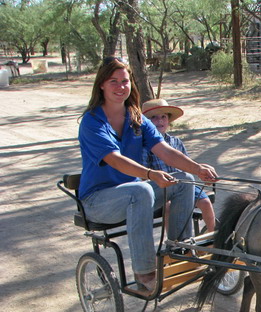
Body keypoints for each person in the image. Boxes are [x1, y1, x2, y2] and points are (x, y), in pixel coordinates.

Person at [78, 56, 218, 293]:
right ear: (101, 84)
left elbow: (164, 150)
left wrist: (197, 168)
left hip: (134, 194)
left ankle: (179, 252)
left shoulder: (137, 118)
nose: (121, 87)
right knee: (141, 189)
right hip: (99, 201)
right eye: (114, 81)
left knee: (185, 182)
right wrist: (151, 174)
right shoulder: (92, 122)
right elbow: (115, 160)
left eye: (125, 81)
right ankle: (145, 272)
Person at [141, 98, 216, 232]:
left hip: (184, 183)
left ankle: (213, 236)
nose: (160, 121)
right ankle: (174, 244)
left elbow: (186, 163)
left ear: (168, 120)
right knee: (169, 207)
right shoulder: (145, 146)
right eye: (154, 118)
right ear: (147, 123)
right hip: (162, 187)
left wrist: (202, 168)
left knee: (205, 202)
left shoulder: (176, 141)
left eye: (163, 117)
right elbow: (143, 173)